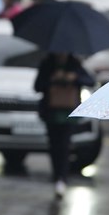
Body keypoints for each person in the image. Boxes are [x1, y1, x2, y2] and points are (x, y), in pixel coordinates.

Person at [34, 52, 94, 198]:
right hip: (51, 113)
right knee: (54, 145)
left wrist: (74, 77)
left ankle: (62, 177)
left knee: (65, 145)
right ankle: (57, 175)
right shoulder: (47, 64)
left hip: (68, 114)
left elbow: (90, 80)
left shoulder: (75, 64)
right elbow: (37, 86)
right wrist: (52, 79)